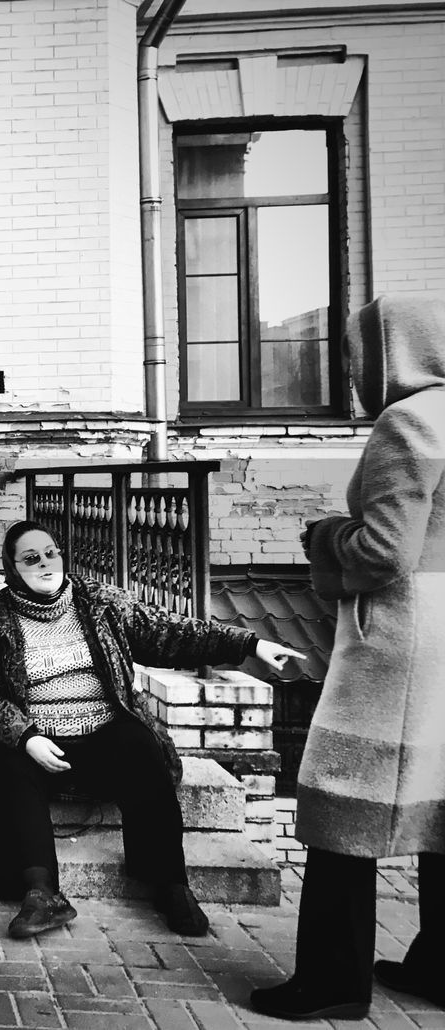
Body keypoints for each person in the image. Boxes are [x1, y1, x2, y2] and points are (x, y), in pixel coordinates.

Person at [0, 519, 303, 940]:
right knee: (8, 771)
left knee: (141, 747)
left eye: (51, 553)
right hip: (35, 742)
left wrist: (250, 644)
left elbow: (170, 632)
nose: (45, 564)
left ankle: (171, 885)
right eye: (31, 558)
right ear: (11, 568)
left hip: (100, 731)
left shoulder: (99, 603)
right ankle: (41, 892)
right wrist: (26, 737)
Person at [250, 295, 445, 1021]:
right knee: (440, 804)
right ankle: (438, 966)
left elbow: (384, 553)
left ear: (390, 349)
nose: (353, 371)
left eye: (357, 353)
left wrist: (326, 536)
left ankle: (332, 981)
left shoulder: (408, 423)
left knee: (340, 806)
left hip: (400, 645)